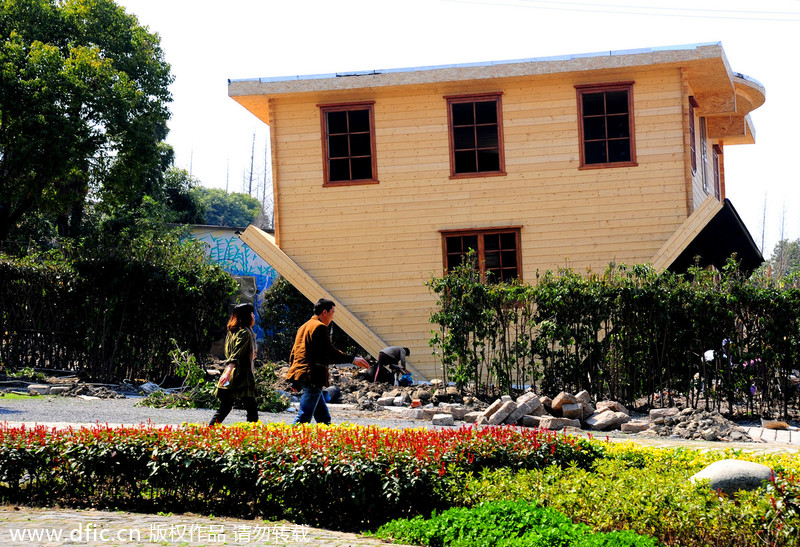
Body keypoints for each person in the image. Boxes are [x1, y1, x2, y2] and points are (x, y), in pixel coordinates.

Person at [286, 298, 369, 424]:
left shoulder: (304, 327)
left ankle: (327, 441)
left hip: (303, 375)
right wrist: (353, 359)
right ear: (324, 312)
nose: (333, 317)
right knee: (303, 417)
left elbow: (294, 354)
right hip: (313, 376)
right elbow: (330, 353)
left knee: (323, 418)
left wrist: (295, 380)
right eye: (332, 312)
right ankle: (289, 443)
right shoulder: (319, 327)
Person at [209, 303, 259, 425]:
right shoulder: (245, 333)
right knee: (251, 408)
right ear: (247, 316)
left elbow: (231, 352)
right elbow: (235, 354)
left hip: (232, 375)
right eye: (252, 314)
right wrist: (229, 371)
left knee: (224, 407)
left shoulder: (232, 332)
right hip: (242, 376)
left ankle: (209, 430)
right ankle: (253, 435)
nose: (254, 316)